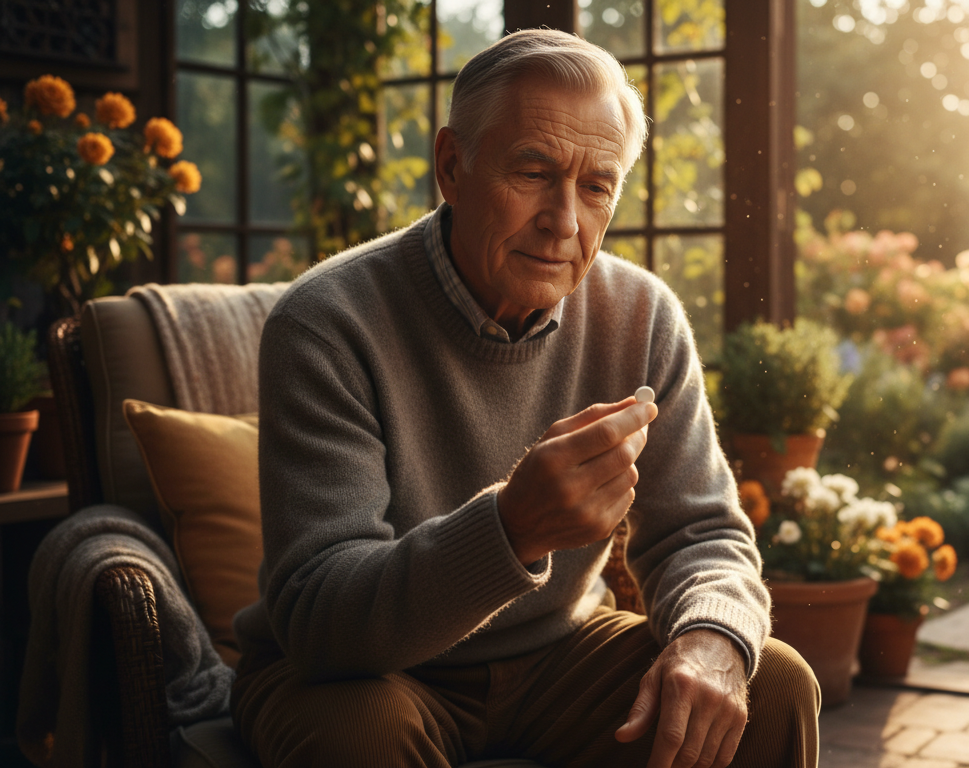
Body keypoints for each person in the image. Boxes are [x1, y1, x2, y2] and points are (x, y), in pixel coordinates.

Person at [229, 28, 820, 768]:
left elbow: (702, 534)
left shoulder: (640, 315)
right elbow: (321, 620)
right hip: (368, 673)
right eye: (533, 172)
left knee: (775, 686)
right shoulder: (327, 322)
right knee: (364, 740)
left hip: (558, 657)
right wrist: (512, 530)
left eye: (596, 185)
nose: (564, 222)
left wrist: (713, 636)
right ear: (452, 165)